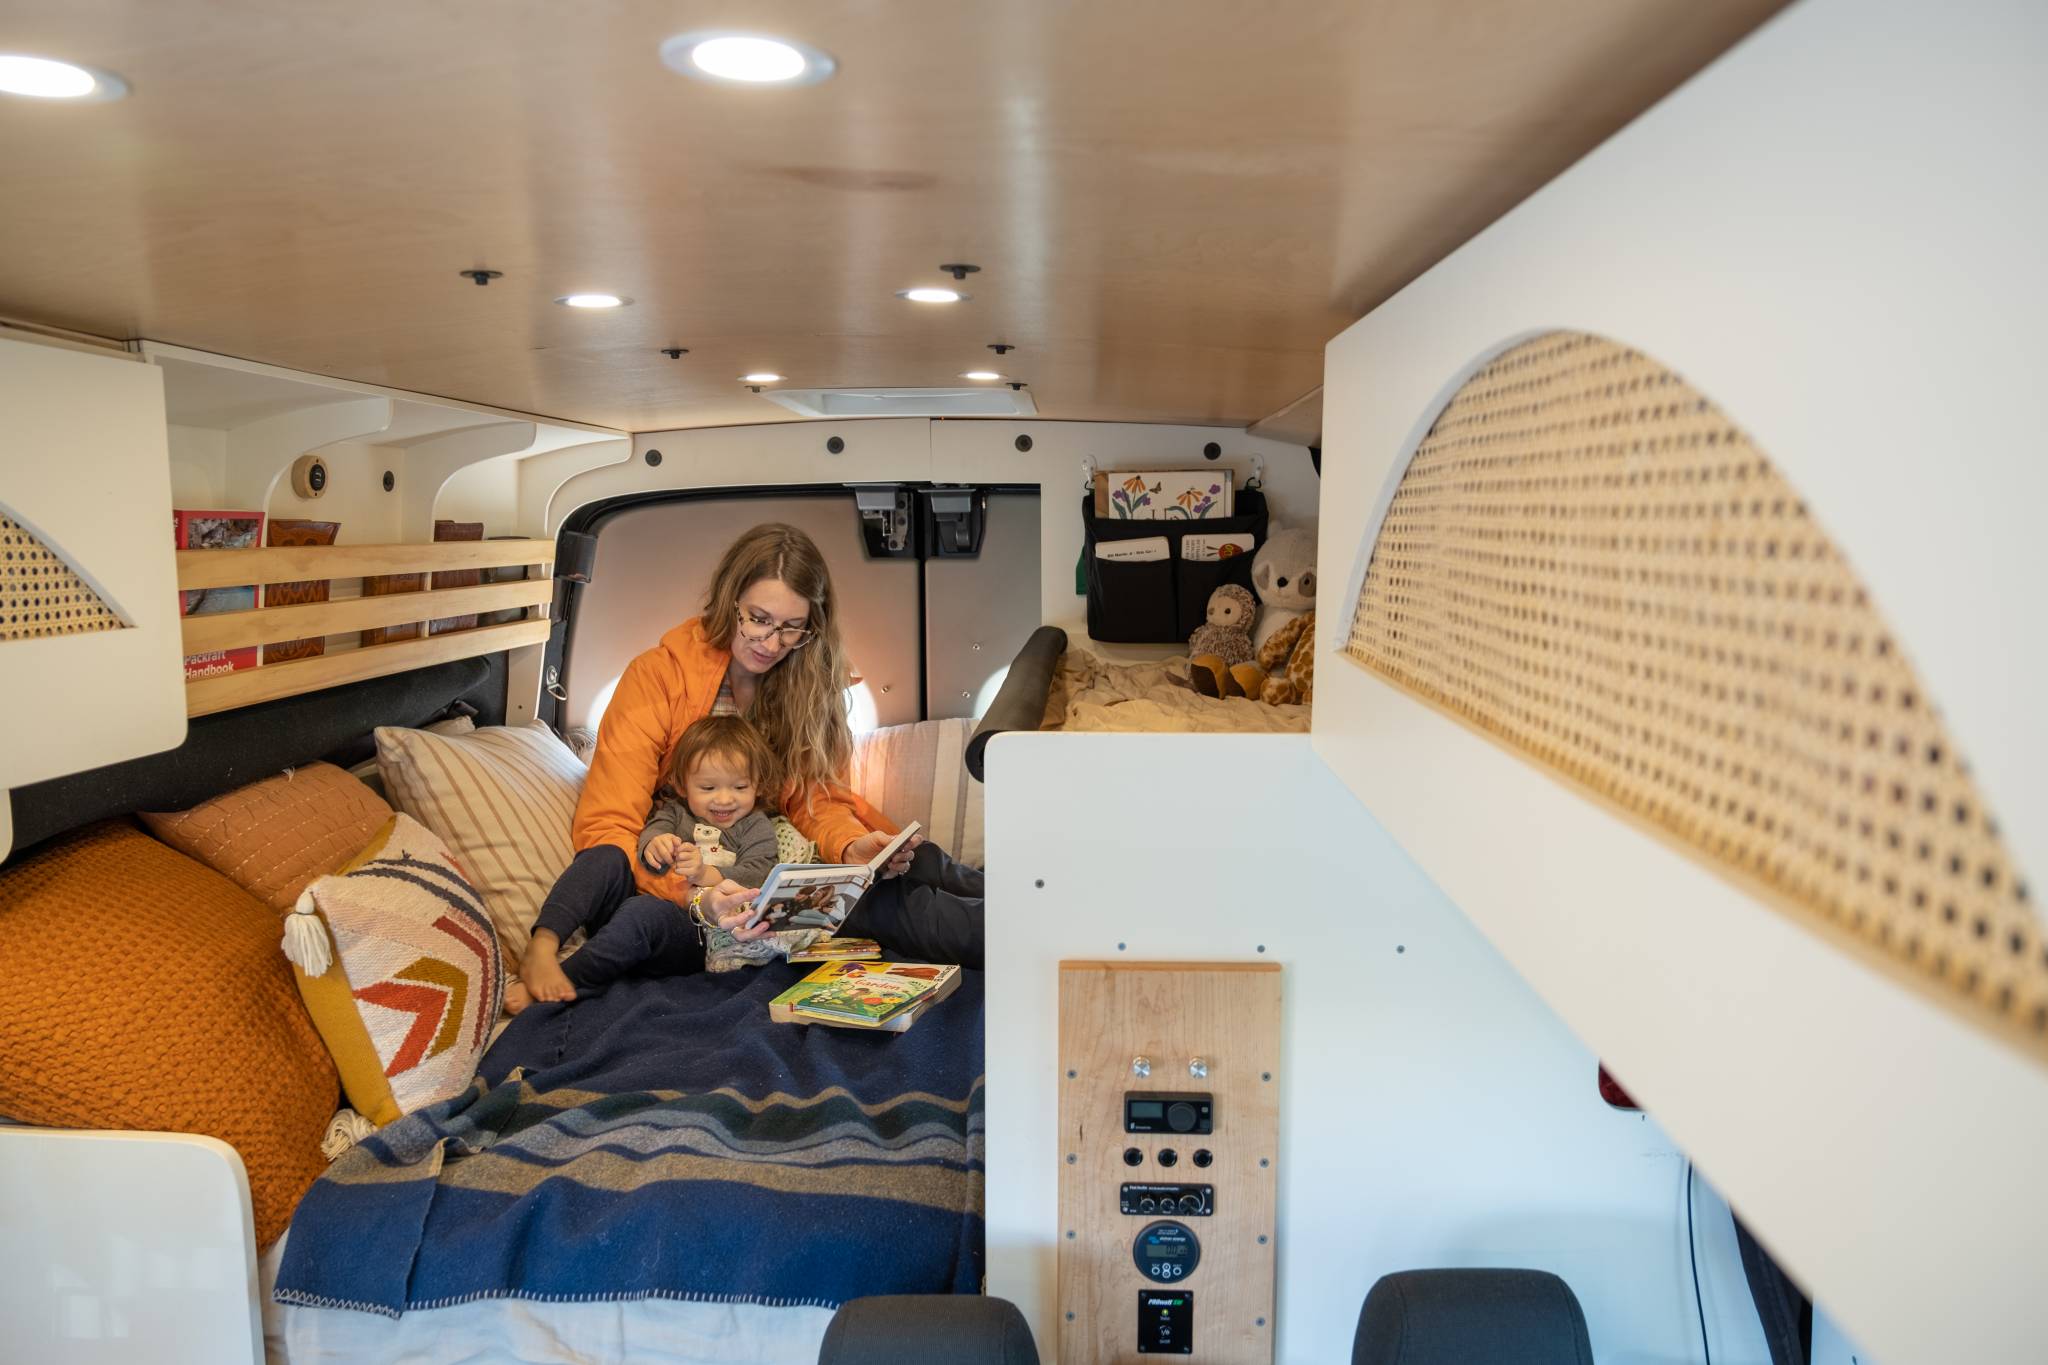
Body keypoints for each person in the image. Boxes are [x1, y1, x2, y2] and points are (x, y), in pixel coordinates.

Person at [567, 522, 984, 974]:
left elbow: (814, 799)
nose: (771, 643)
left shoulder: (804, 680)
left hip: (780, 858)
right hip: (702, 872)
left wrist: (847, 846)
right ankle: (1025, 932)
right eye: (759, 620)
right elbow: (607, 828)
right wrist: (696, 895)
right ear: (730, 602)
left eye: (792, 628)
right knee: (902, 908)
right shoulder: (656, 677)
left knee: (921, 861)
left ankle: (1025, 899)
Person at [506, 714, 785, 1012]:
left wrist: (706, 872)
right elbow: (650, 838)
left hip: (694, 933)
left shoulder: (755, 825)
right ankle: (544, 943)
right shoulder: (676, 813)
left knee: (643, 912)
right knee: (607, 854)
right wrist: (654, 845)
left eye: (740, 787)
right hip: (632, 907)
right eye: (708, 788)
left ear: (757, 785)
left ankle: (558, 983)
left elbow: (759, 873)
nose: (725, 799)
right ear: (681, 784)